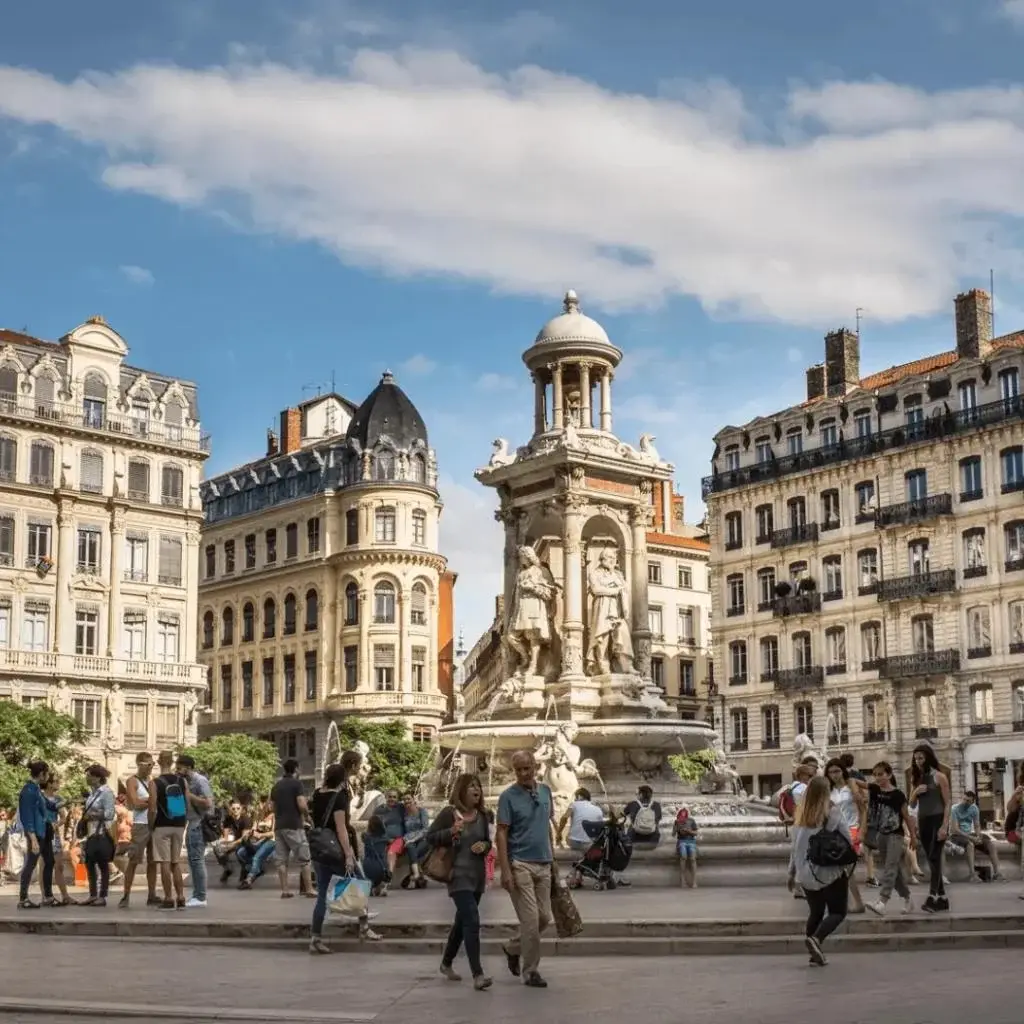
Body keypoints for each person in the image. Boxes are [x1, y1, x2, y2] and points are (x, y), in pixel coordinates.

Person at [427, 772, 493, 991]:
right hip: (457, 876)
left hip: (477, 877)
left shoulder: (483, 815)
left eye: (478, 786)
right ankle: (478, 974)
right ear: (461, 790)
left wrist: (484, 847)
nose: (476, 790)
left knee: (461, 922)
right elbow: (430, 837)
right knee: (472, 920)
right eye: (471, 786)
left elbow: (487, 842)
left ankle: (446, 963)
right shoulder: (449, 813)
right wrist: (450, 831)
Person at [496, 749, 554, 990]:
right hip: (520, 863)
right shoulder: (507, 796)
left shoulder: (546, 791)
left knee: (544, 918)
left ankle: (512, 947)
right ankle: (530, 971)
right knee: (530, 920)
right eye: (517, 769)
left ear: (535, 767)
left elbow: (546, 826)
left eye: (526, 768)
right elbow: (501, 833)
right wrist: (506, 870)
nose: (522, 773)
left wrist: (554, 859)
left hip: (544, 863)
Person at [787, 774, 854, 967]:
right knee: (838, 912)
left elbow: (794, 849)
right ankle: (816, 939)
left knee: (816, 912)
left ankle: (813, 951)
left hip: (805, 874)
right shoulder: (832, 813)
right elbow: (847, 840)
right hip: (828, 871)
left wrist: (791, 874)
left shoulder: (800, 816)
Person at [308, 760, 358, 954]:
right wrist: (348, 854)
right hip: (335, 848)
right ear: (343, 778)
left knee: (322, 894)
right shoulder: (339, 797)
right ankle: (363, 926)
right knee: (357, 882)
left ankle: (316, 937)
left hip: (320, 849)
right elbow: (341, 828)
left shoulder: (316, 794)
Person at [864, 761, 914, 916]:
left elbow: (906, 816)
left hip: (895, 834)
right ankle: (907, 898)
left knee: (890, 868)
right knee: (894, 870)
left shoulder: (898, 795)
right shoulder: (874, 790)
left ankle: (882, 901)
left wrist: (913, 836)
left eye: (881, 774)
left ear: (889, 775)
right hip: (881, 835)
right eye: (876, 774)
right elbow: (855, 782)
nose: (878, 777)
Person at [909, 744, 952, 913]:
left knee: (934, 856)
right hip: (923, 821)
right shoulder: (917, 778)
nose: (918, 761)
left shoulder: (940, 776)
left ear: (928, 757)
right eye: (916, 758)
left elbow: (948, 803)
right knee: (931, 860)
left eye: (921, 757)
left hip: (938, 820)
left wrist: (944, 826)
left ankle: (932, 897)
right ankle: (943, 899)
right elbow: (911, 804)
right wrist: (915, 792)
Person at [824, 758, 866, 913]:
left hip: (852, 829)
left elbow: (863, 810)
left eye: (837, 771)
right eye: (831, 772)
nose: (834, 775)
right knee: (842, 869)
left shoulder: (852, 786)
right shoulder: (829, 790)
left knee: (847, 868)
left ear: (843, 771)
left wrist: (862, 831)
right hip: (835, 832)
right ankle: (850, 902)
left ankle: (855, 903)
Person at [149, 749, 188, 909]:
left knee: (164, 862)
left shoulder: (154, 783)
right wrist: (183, 823)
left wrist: (151, 825)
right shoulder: (182, 781)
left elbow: (152, 808)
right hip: (179, 825)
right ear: (172, 763)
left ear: (159, 762)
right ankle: (181, 897)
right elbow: (187, 805)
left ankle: (168, 898)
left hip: (162, 825)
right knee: (175, 863)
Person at [120, 752, 158, 908]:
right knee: (134, 861)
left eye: (152, 764)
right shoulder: (132, 781)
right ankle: (126, 895)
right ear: (139, 764)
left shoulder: (152, 781)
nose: (151, 768)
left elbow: (142, 802)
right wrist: (153, 800)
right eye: (148, 764)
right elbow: (135, 803)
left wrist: (147, 802)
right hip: (140, 824)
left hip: (154, 824)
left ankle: (152, 895)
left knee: (153, 861)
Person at [176, 754, 214, 908]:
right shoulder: (185, 781)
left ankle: (200, 896)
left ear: (189, 767)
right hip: (191, 824)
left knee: (197, 860)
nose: (177, 771)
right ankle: (197, 894)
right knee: (193, 861)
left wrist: (188, 795)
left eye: (180, 768)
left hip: (199, 824)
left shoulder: (200, 780)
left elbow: (208, 803)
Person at [271, 758, 312, 898]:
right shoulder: (297, 784)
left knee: (281, 860)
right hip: (294, 825)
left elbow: (272, 807)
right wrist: (307, 815)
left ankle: (285, 890)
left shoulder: (276, 786)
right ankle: (309, 889)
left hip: (279, 826)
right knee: (304, 857)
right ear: (296, 769)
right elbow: (301, 804)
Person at [17, 760, 52, 909]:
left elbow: (47, 806)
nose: (48, 776)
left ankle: (48, 896)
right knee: (30, 864)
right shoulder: (29, 791)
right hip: (35, 833)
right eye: (47, 773)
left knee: (49, 861)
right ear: (41, 774)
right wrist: (32, 838)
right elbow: (27, 815)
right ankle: (23, 898)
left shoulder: (36, 789)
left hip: (41, 832)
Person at [81, 764, 116, 906]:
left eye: (89, 775)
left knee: (102, 864)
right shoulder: (93, 793)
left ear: (97, 777)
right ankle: (92, 894)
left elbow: (110, 813)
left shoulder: (106, 792)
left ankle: (102, 896)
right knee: (89, 863)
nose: (87, 778)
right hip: (90, 833)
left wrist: (93, 815)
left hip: (101, 832)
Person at [949, 790, 1002, 881]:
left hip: (969, 834)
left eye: (968, 801)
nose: (965, 803)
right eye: (964, 800)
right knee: (970, 844)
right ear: (962, 798)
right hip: (956, 835)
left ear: (972, 802)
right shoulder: (954, 809)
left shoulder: (974, 809)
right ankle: (972, 875)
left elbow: (977, 825)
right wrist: (971, 838)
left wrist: (978, 836)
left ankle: (997, 873)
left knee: (990, 844)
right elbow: (955, 829)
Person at [42, 776, 76, 906]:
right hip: (42, 833)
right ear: (49, 784)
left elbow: (63, 815)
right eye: (56, 781)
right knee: (44, 865)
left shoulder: (58, 799)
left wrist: (57, 824)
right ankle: (46, 895)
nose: (59, 783)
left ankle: (65, 895)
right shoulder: (41, 797)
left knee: (59, 865)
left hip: (54, 834)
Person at [214, 800, 253, 884]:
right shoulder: (228, 819)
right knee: (217, 847)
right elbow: (225, 837)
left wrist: (232, 844)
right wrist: (218, 842)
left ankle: (245, 870)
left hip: (245, 842)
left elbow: (244, 838)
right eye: (233, 808)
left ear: (241, 808)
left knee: (240, 851)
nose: (236, 810)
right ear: (230, 809)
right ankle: (227, 869)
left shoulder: (246, 819)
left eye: (238, 808)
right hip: (235, 841)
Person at [557, 787, 605, 853]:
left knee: (567, 839)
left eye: (575, 797)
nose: (574, 799)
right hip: (590, 844)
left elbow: (564, 818)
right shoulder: (598, 809)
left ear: (579, 796)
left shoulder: (574, 804)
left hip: (574, 842)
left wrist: (559, 833)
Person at [399, 792, 430, 889]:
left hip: (423, 838)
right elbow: (403, 830)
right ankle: (417, 875)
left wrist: (413, 839)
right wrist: (406, 839)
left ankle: (415, 876)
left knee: (414, 852)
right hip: (409, 839)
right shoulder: (403, 814)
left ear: (413, 799)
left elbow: (425, 830)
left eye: (408, 799)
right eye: (404, 800)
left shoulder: (422, 811)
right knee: (410, 848)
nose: (406, 801)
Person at [361, 815, 391, 896]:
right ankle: (380, 887)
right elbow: (389, 842)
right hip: (382, 865)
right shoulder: (385, 837)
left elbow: (363, 837)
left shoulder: (365, 836)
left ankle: (371, 887)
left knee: (361, 862)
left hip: (369, 865)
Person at [673, 806, 699, 889]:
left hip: (691, 841)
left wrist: (689, 831)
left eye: (685, 813)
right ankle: (682, 880)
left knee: (692, 859)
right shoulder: (677, 821)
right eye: (682, 813)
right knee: (683, 857)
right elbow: (673, 834)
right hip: (682, 841)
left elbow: (696, 833)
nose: (683, 814)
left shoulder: (691, 821)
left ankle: (694, 881)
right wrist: (676, 828)